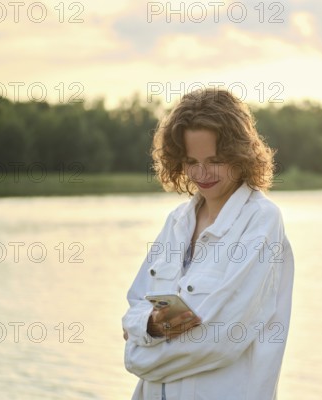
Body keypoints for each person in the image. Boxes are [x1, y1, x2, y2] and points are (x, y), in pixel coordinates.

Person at [121, 88, 295, 400]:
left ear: (239, 154)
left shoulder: (260, 222)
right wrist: (153, 325)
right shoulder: (177, 222)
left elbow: (219, 340)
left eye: (214, 160)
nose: (201, 173)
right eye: (191, 161)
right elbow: (136, 306)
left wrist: (137, 356)